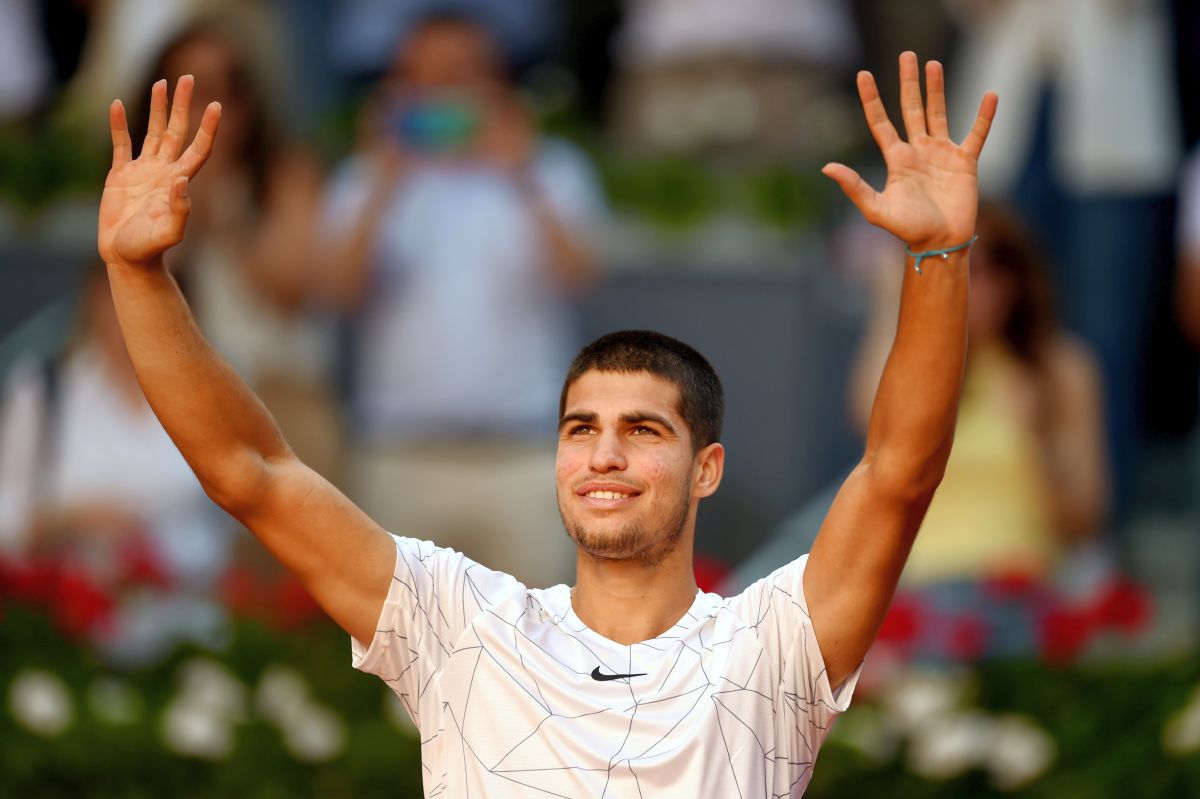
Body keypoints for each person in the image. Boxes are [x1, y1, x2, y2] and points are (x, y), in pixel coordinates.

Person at [97, 51, 996, 796]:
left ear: (707, 467)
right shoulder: (460, 624)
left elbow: (897, 472)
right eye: (579, 428)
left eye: (644, 430)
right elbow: (249, 469)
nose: (604, 452)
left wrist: (938, 256)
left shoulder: (772, 643)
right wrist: (138, 276)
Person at [318, 11, 605, 586]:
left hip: (524, 454)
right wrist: (383, 179)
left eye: (458, 75)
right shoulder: (363, 178)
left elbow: (583, 274)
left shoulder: (553, 169)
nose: (439, 91)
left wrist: (522, 172)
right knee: (404, 663)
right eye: (421, 76)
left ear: (495, 82)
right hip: (402, 454)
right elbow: (336, 290)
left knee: (539, 655)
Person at [848, 202, 1109, 586]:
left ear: (1015, 280)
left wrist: (1039, 438)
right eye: (949, 268)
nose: (968, 284)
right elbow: (871, 425)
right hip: (922, 591)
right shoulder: (920, 366)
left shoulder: (1062, 368)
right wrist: (894, 296)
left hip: (1022, 590)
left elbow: (1085, 520)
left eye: (982, 269)